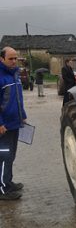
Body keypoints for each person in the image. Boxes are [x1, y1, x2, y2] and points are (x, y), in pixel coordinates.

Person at [0, 47, 27, 200]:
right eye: (10, 58)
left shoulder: (15, 75)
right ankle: (3, 189)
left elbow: (18, 98)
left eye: (15, 58)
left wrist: (22, 116)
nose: (14, 61)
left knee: (10, 156)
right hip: (4, 127)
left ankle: (8, 182)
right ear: (1, 59)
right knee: (3, 156)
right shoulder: (1, 77)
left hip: (15, 124)